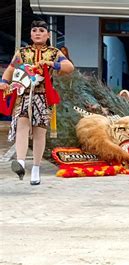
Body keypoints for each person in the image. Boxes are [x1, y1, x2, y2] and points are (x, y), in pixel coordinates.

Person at [0, 20, 74, 185]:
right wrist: (4, 81)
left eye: (41, 30)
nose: (38, 33)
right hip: (24, 95)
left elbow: (69, 67)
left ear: (47, 35)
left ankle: (36, 168)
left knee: (39, 132)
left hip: (42, 96)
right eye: (34, 30)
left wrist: (52, 64)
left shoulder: (54, 52)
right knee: (22, 125)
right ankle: (20, 162)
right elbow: (11, 68)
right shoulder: (22, 53)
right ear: (31, 34)